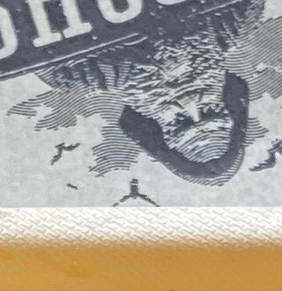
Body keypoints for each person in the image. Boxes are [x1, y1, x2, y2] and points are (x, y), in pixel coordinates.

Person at [40, 0, 263, 185]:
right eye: (210, 109)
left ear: (153, 124)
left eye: (179, 121)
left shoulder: (72, 72)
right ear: (224, 100)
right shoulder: (237, 16)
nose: (190, 103)